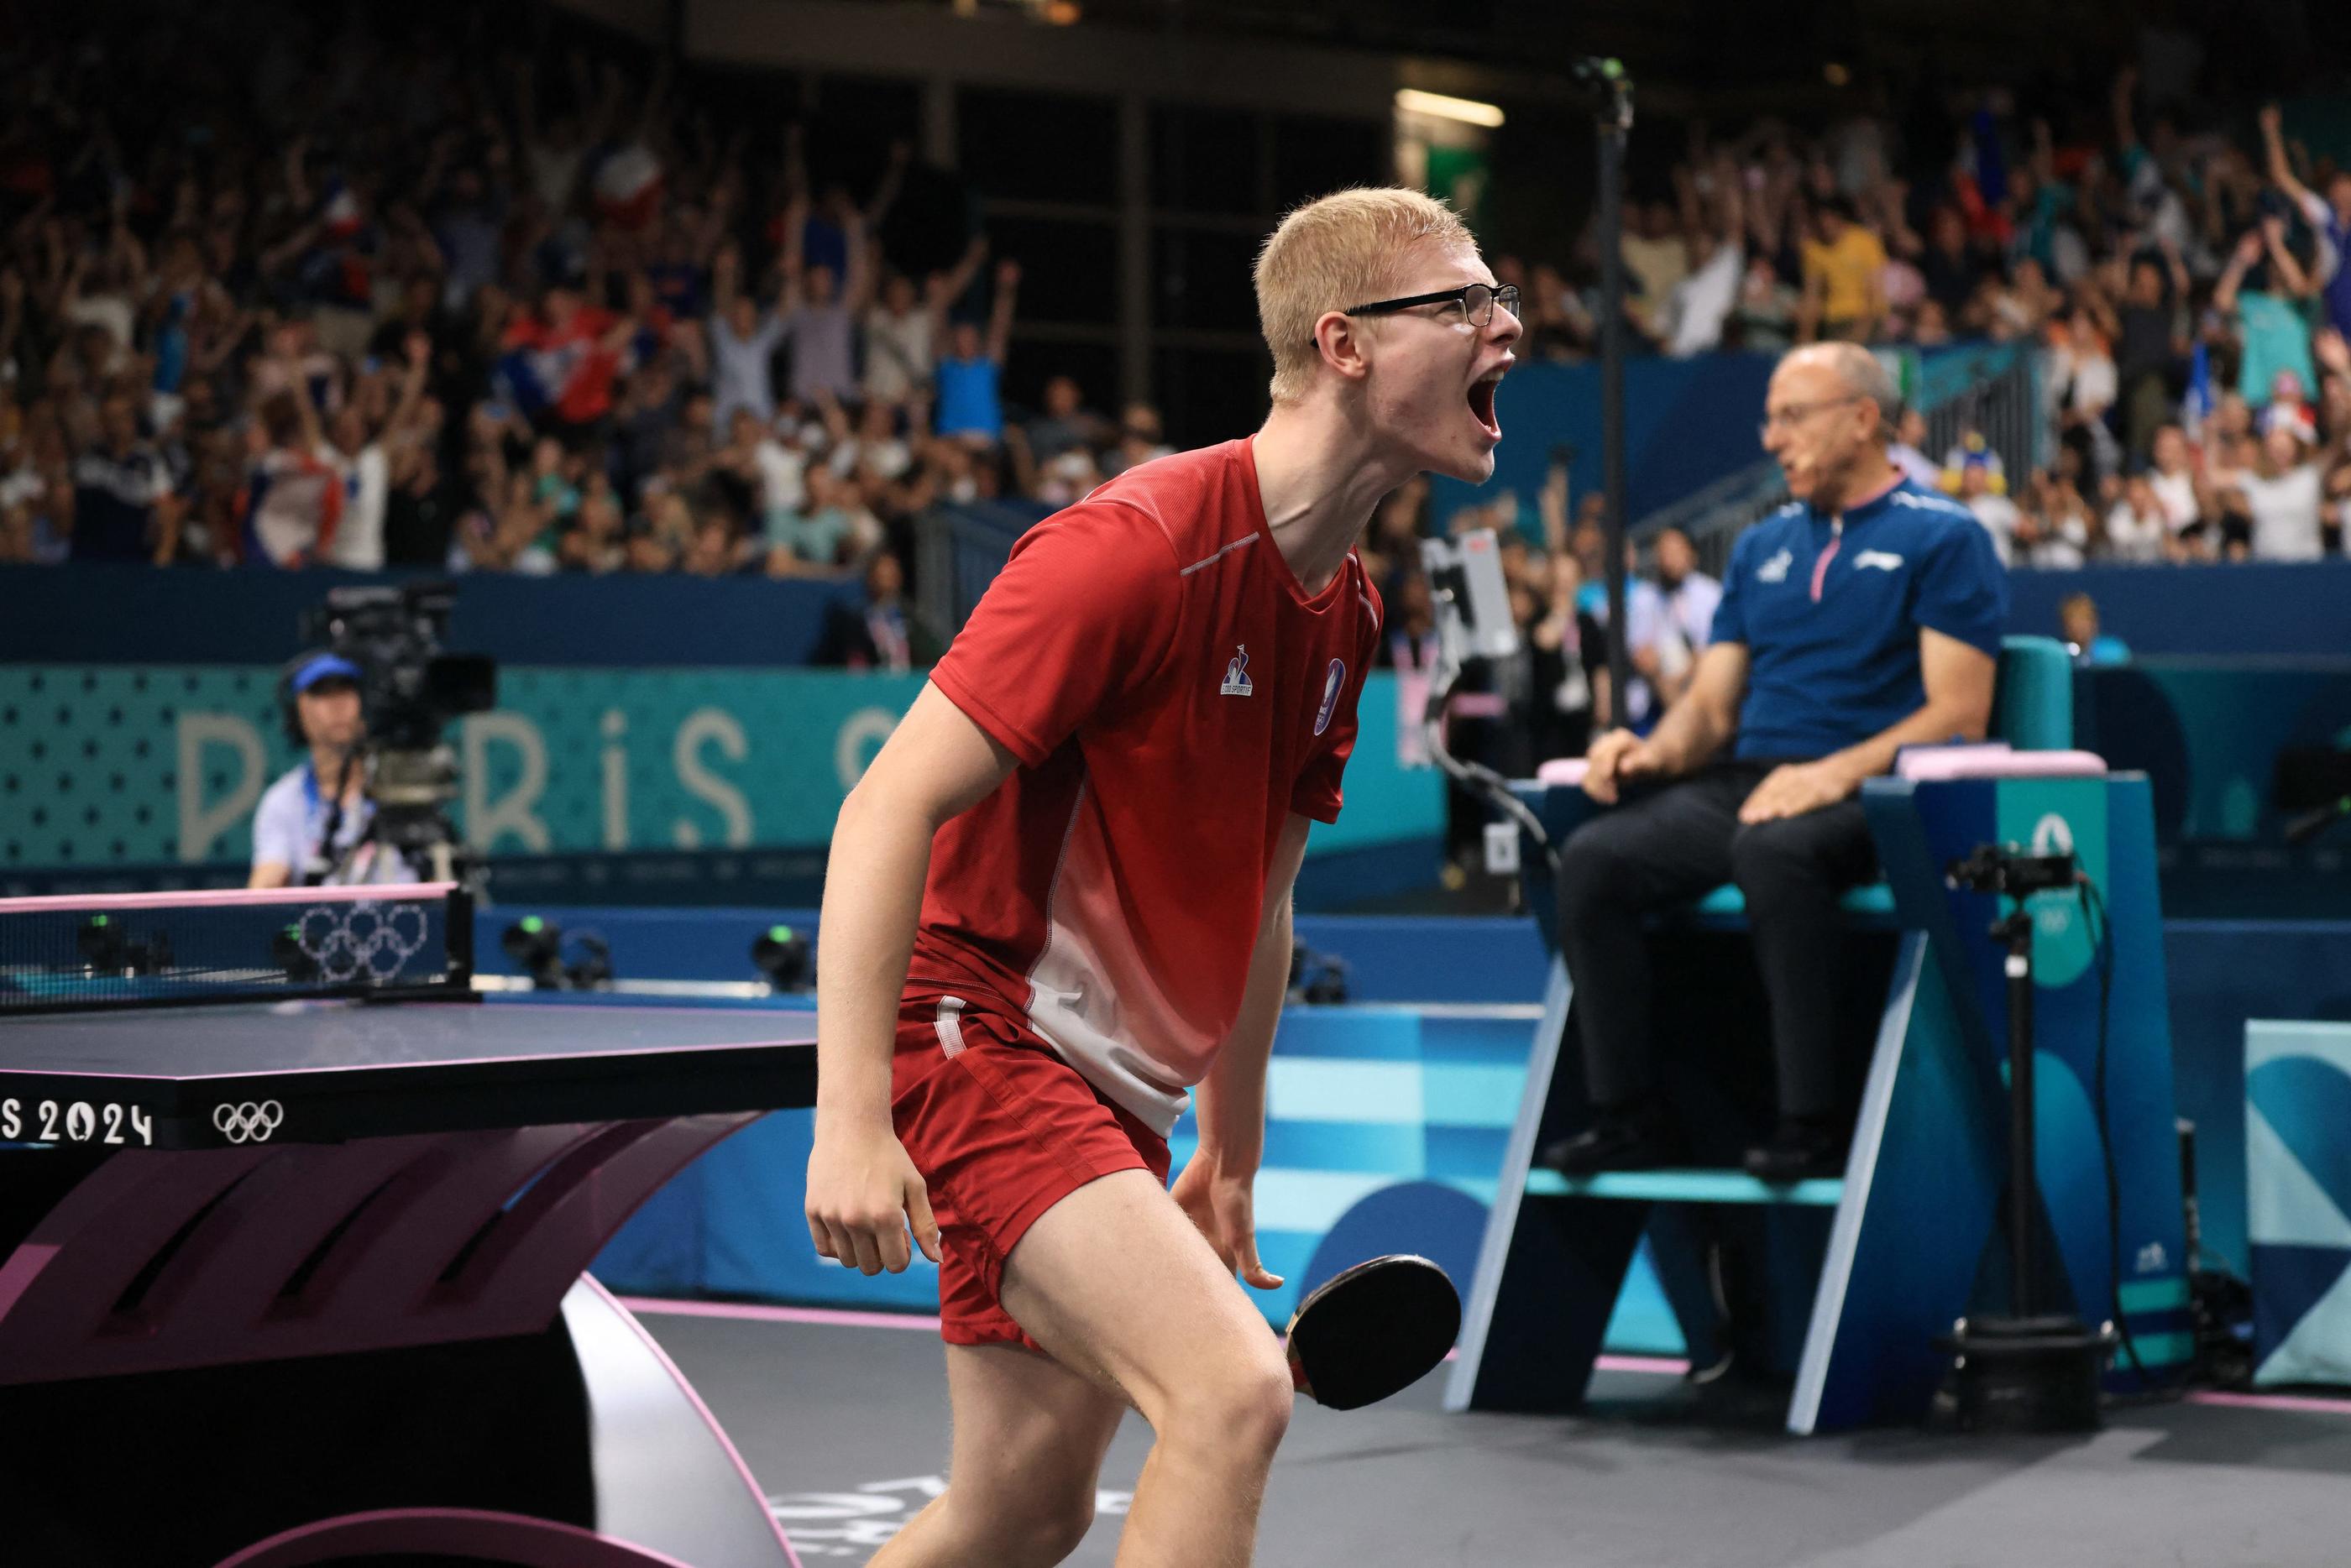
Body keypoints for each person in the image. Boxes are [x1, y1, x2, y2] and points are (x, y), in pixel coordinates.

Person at [804, 186, 1515, 1567]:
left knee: (1022, 1508)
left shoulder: (1348, 609)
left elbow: (1265, 895)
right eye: (1465, 303)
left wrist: (1229, 1147)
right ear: (1348, 342)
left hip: (1118, 1089)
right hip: (984, 1037)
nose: (1507, 325)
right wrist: (849, 1118)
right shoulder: (1133, 549)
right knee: (1232, 1391)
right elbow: (884, 808)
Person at [1541, 342, 2005, 1181]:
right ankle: (1630, 1115)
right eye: (1770, 420)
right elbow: (1712, 707)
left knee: (1773, 848)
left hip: (1879, 793)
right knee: (1593, 859)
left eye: (1793, 416)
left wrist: (1835, 773)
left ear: (1863, 418)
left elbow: (1957, 710)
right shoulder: (1758, 550)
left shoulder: (1946, 537)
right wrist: (1646, 750)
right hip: (1752, 781)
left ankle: (1810, 1119)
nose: (1773, 439)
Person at [250, 653, 419, 888]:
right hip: (319, 924)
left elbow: (443, 885)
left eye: (346, 690)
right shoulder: (282, 802)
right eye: (322, 693)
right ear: (298, 710)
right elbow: (266, 885)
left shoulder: (407, 790)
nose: (337, 704)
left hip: (402, 923)